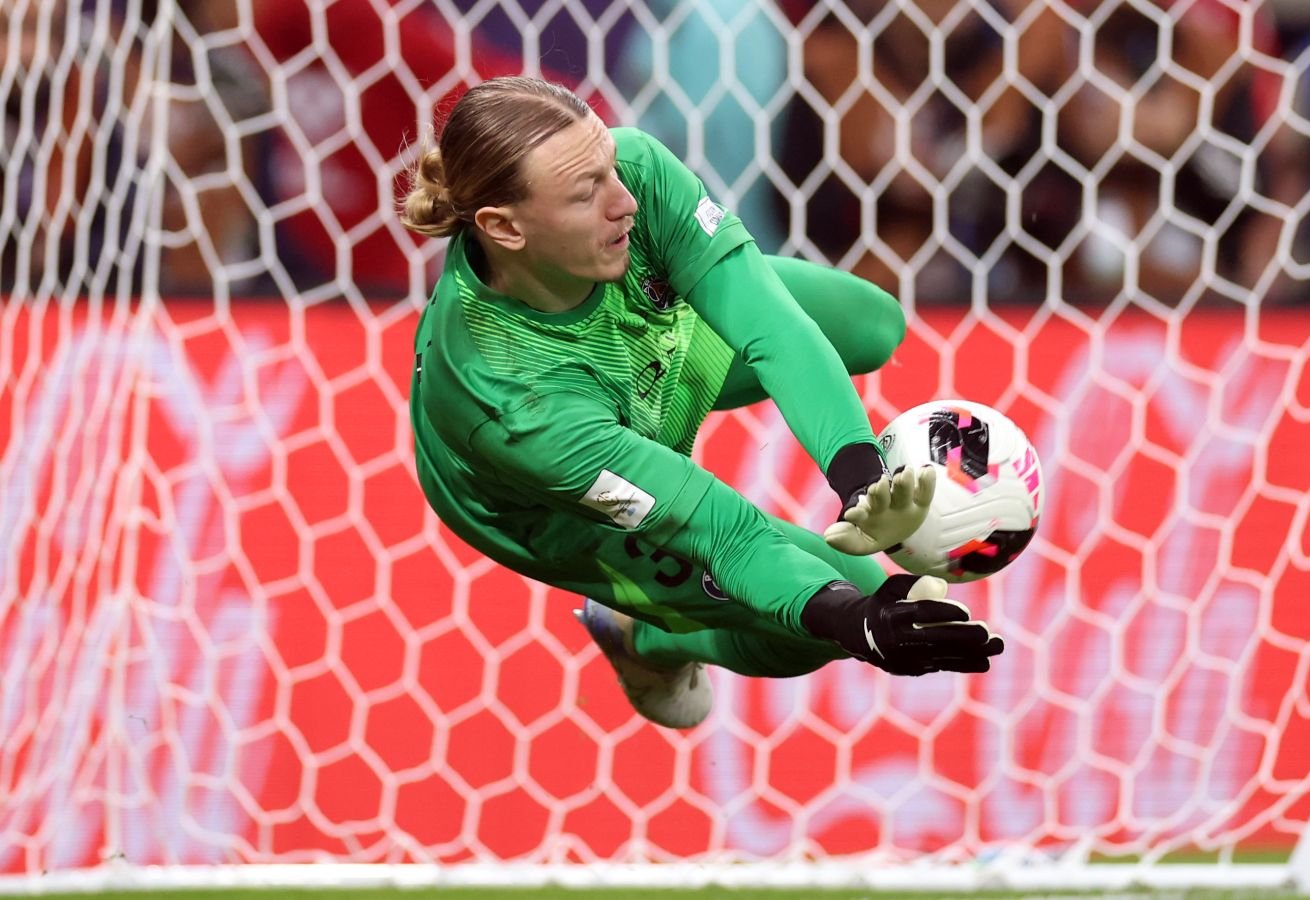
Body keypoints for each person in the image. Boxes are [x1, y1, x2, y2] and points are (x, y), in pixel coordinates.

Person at [400, 76, 1004, 729]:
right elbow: (721, 531)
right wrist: (856, 620)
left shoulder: (633, 170)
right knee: (826, 612)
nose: (625, 200)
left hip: (647, 351)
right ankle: (645, 642)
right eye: (586, 193)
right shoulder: (508, 404)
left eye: (610, 166)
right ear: (503, 228)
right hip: (552, 504)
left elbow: (772, 328)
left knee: (870, 324)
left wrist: (861, 478)